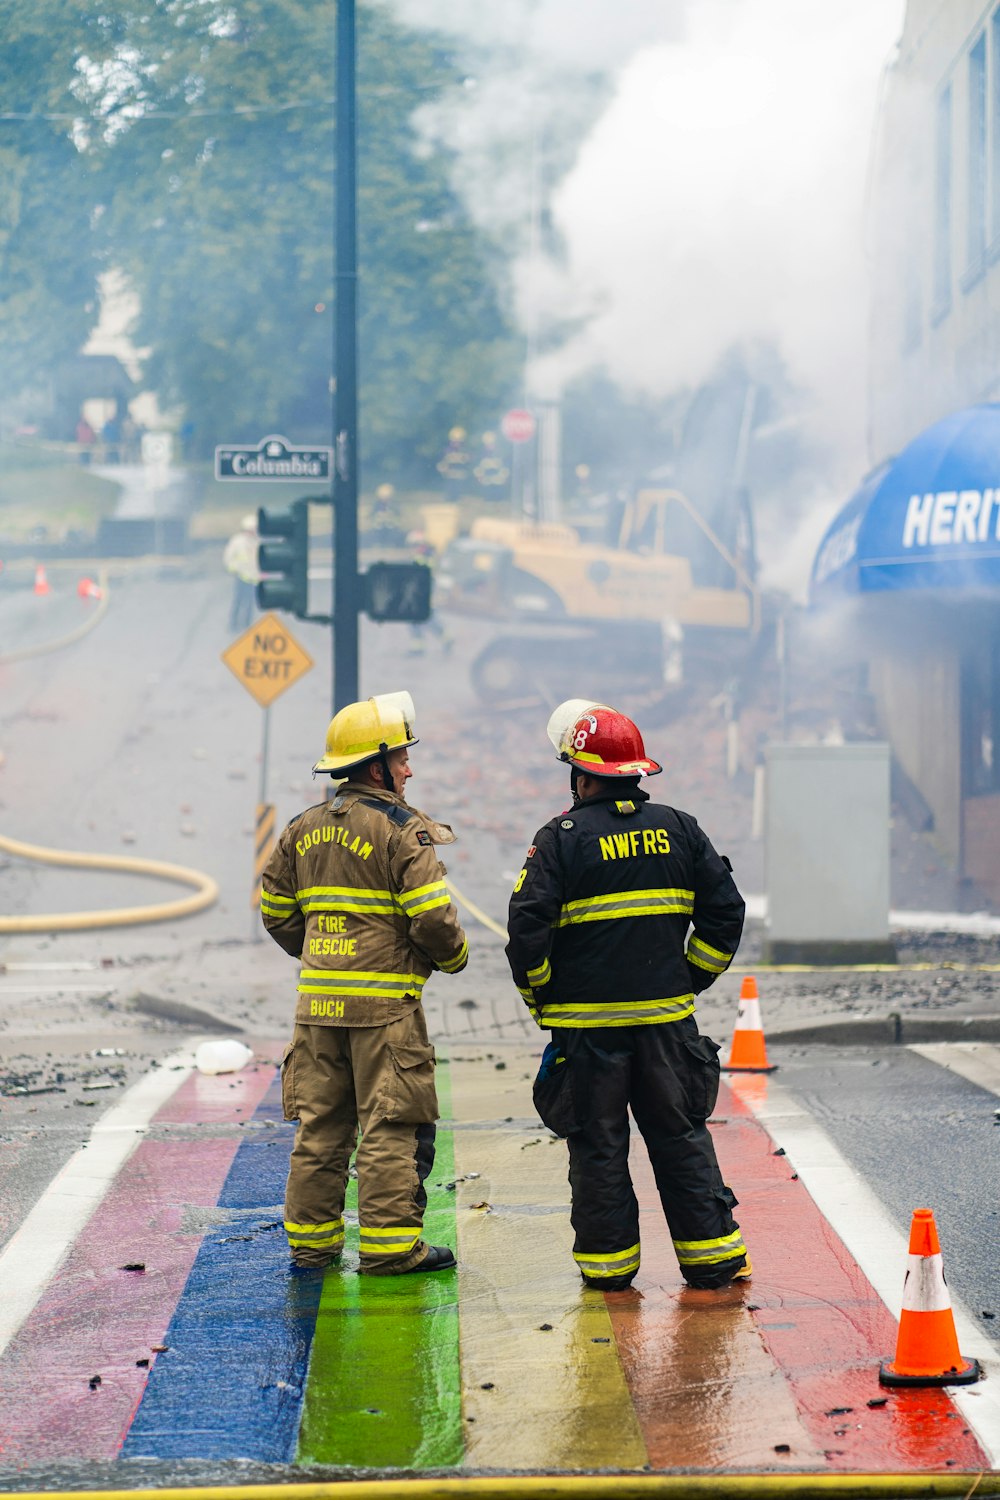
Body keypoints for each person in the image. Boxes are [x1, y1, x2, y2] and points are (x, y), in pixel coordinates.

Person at [506, 699, 749, 1292]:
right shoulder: (679, 827)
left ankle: (609, 1272)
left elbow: (525, 935)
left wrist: (543, 1001)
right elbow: (725, 913)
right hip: (668, 1028)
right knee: (681, 1137)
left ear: (580, 774)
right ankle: (712, 1261)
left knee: (598, 1149)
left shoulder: (559, 839)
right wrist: (689, 978)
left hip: (588, 1037)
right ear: (637, 772)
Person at [260, 692, 469, 1275]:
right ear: (375, 766)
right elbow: (432, 918)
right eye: (401, 758)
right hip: (384, 1013)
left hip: (317, 1009)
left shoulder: (300, 828)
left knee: (320, 1128)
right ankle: (390, 1248)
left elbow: (276, 910)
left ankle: (312, 1244)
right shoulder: (404, 832)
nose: (409, 768)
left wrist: (320, 954)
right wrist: (453, 959)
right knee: (389, 1124)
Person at [223, 514, 260, 631]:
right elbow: (228, 558)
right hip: (241, 576)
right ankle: (233, 623)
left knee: (250, 602)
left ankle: (247, 624)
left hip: (254, 577)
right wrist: (236, 570)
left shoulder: (257, 542)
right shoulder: (237, 542)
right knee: (238, 600)